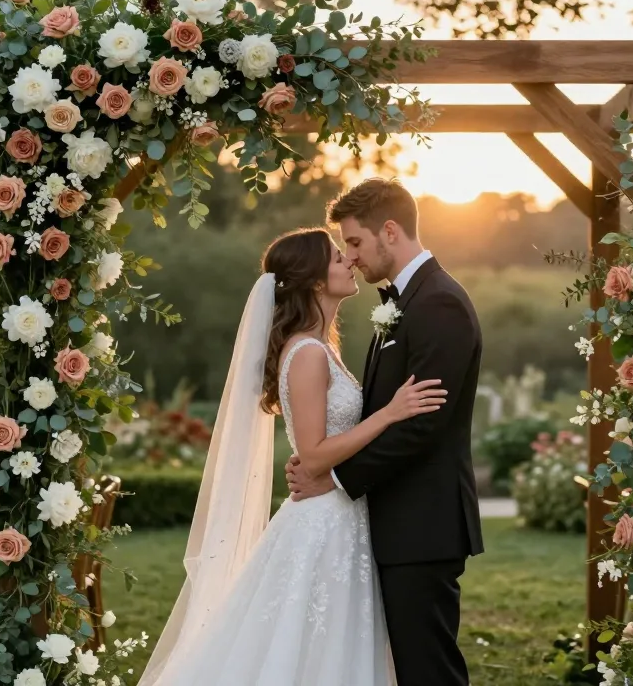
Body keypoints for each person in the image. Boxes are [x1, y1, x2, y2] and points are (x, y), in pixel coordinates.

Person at [138, 226, 447, 686]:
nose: (350, 262)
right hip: (323, 526)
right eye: (339, 258)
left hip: (342, 518)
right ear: (316, 281)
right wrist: (389, 414)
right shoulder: (307, 354)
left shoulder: (323, 348)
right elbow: (314, 455)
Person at [288, 178, 484, 686]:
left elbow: (422, 428)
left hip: (424, 525)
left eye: (353, 242)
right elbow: (381, 412)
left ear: (389, 231)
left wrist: (333, 478)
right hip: (394, 524)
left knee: (428, 671)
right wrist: (321, 457)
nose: (350, 257)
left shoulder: (438, 303)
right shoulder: (401, 302)